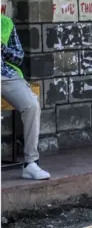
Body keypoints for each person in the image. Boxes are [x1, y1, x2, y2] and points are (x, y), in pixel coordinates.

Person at [1, 15, 50, 180]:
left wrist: (3, 49)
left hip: (5, 74)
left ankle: (31, 163)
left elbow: (19, 57)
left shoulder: (5, 22)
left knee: (31, 105)